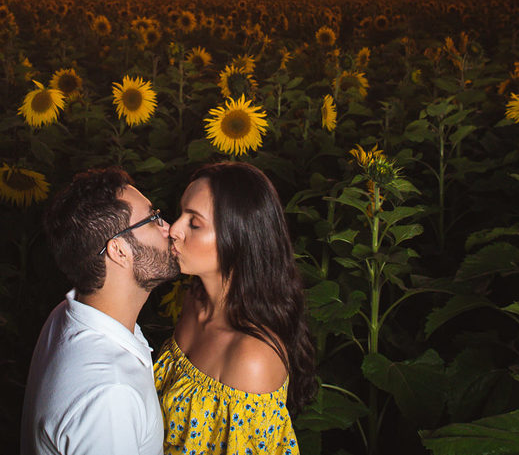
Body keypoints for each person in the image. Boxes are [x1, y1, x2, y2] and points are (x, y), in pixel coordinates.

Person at [155, 162, 316, 455]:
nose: (174, 230)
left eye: (194, 223)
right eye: (180, 214)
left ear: (239, 237)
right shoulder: (194, 300)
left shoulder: (252, 358)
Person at [22, 166, 180, 455]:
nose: (170, 228)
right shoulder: (109, 396)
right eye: (153, 219)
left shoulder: (68, 314)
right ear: (119, 251)